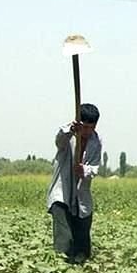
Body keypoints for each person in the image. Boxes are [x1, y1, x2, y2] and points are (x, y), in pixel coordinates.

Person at [46, 103, 102, 263]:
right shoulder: (68, 134)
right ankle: (61, 270)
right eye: (84, 127)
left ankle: (80, 270)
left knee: (82, 245)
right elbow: (59, 141)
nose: (87, 132)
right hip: (62, 192)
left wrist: (83, 170)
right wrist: (71, 129)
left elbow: (95, 167)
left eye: (91, 128)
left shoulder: (96, 142)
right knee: (64, 240)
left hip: (81, 194)